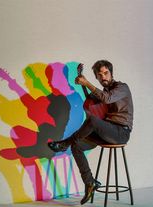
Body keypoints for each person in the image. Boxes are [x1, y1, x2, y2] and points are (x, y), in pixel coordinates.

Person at [47, 60, 134, 205]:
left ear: (111, 73)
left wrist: (86, 83)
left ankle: (64, 144)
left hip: (120, 132)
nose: (103, 77)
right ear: (97, 78)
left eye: (106, 73)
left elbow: (106, 98)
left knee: (92, 121)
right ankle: (90, 183)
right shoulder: (103, 92)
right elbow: (93, 100)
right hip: (106, 130)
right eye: (99, 75)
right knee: (76, 145)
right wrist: (83, 83)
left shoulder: (122, 88)